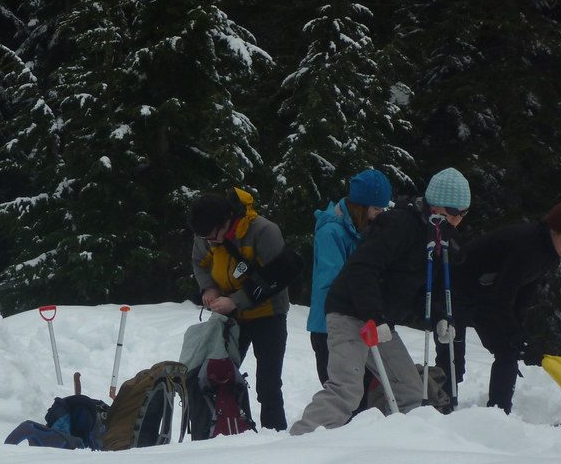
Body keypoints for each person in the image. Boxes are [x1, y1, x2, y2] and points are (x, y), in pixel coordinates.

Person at [289, 167, 471, 435]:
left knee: (410, 391)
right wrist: (373, 315)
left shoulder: (435, 237)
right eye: (454, 213)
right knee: (346, 390)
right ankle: (300, 441)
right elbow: (361, 269)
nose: (458, 220)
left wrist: (439, 317)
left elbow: (416, 289)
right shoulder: (401, 224)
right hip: (351, 312)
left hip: (381, 320)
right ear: (436, 206)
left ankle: (389, 444)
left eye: (464, 214)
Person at [434, 201, 561, 413]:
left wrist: (520, 337)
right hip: (456, 290)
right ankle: (438, 413)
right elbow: (503, 297)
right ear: (554, 230)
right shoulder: (527, 246)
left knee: (508, 351)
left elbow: (522, 296)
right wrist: (517, 335)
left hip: (486, 293)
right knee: (453, 362)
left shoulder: (549, 253)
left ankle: (499, 413)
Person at [189, 188, 298, 431]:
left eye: (212, 237)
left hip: (269, 314)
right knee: (220, 376)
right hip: (232, 317)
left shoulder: (264, 231)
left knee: (268, 384)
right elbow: (199, 262)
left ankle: (275, 435)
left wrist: (236, 300)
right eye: (204, 238)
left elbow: (277, 276)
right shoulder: (206, 233)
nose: (210, 242)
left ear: (226, 221)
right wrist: (209, 288)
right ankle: (229, 431)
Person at [308, 168, 392, 384]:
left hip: (358, 323)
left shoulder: (363, 229)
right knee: (344, 393)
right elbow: (332, 281)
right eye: (376, 208)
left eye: (383, 208)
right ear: (360, 206)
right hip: (330, 328)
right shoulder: (331, 232)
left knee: (368, 394)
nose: (380, 214)